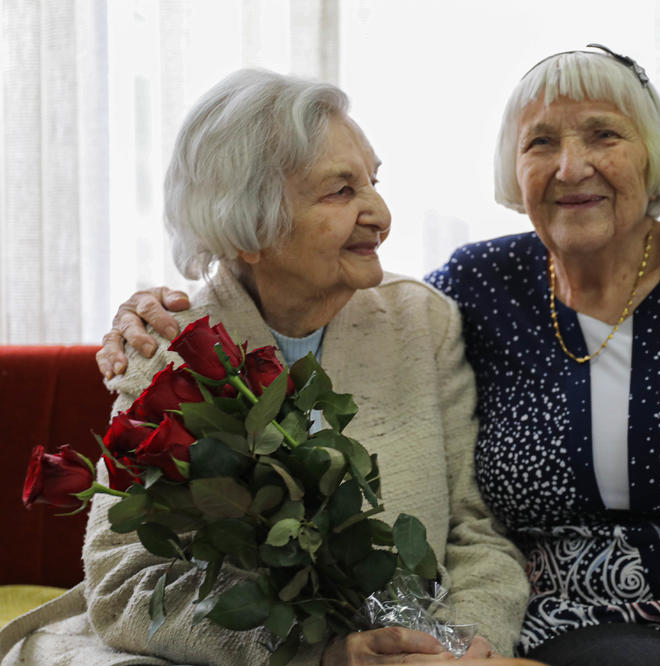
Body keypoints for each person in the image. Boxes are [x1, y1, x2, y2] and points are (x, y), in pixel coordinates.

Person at [96, 47, 660, 666]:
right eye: (541, 143)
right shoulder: (476, 289)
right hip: (589, 611)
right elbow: (293, 294)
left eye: (603, 134)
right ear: (511, 169)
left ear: (651, 155)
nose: (572, 166)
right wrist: (157, 311)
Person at [1, 69, 531, 666]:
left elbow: (476, 533)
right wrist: (316, 656)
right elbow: (124, 582)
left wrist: (463, 648)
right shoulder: (167, 345)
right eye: (339, 191)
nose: (380, 213)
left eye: (373, 182)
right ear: (249, 227)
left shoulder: (421, 322)